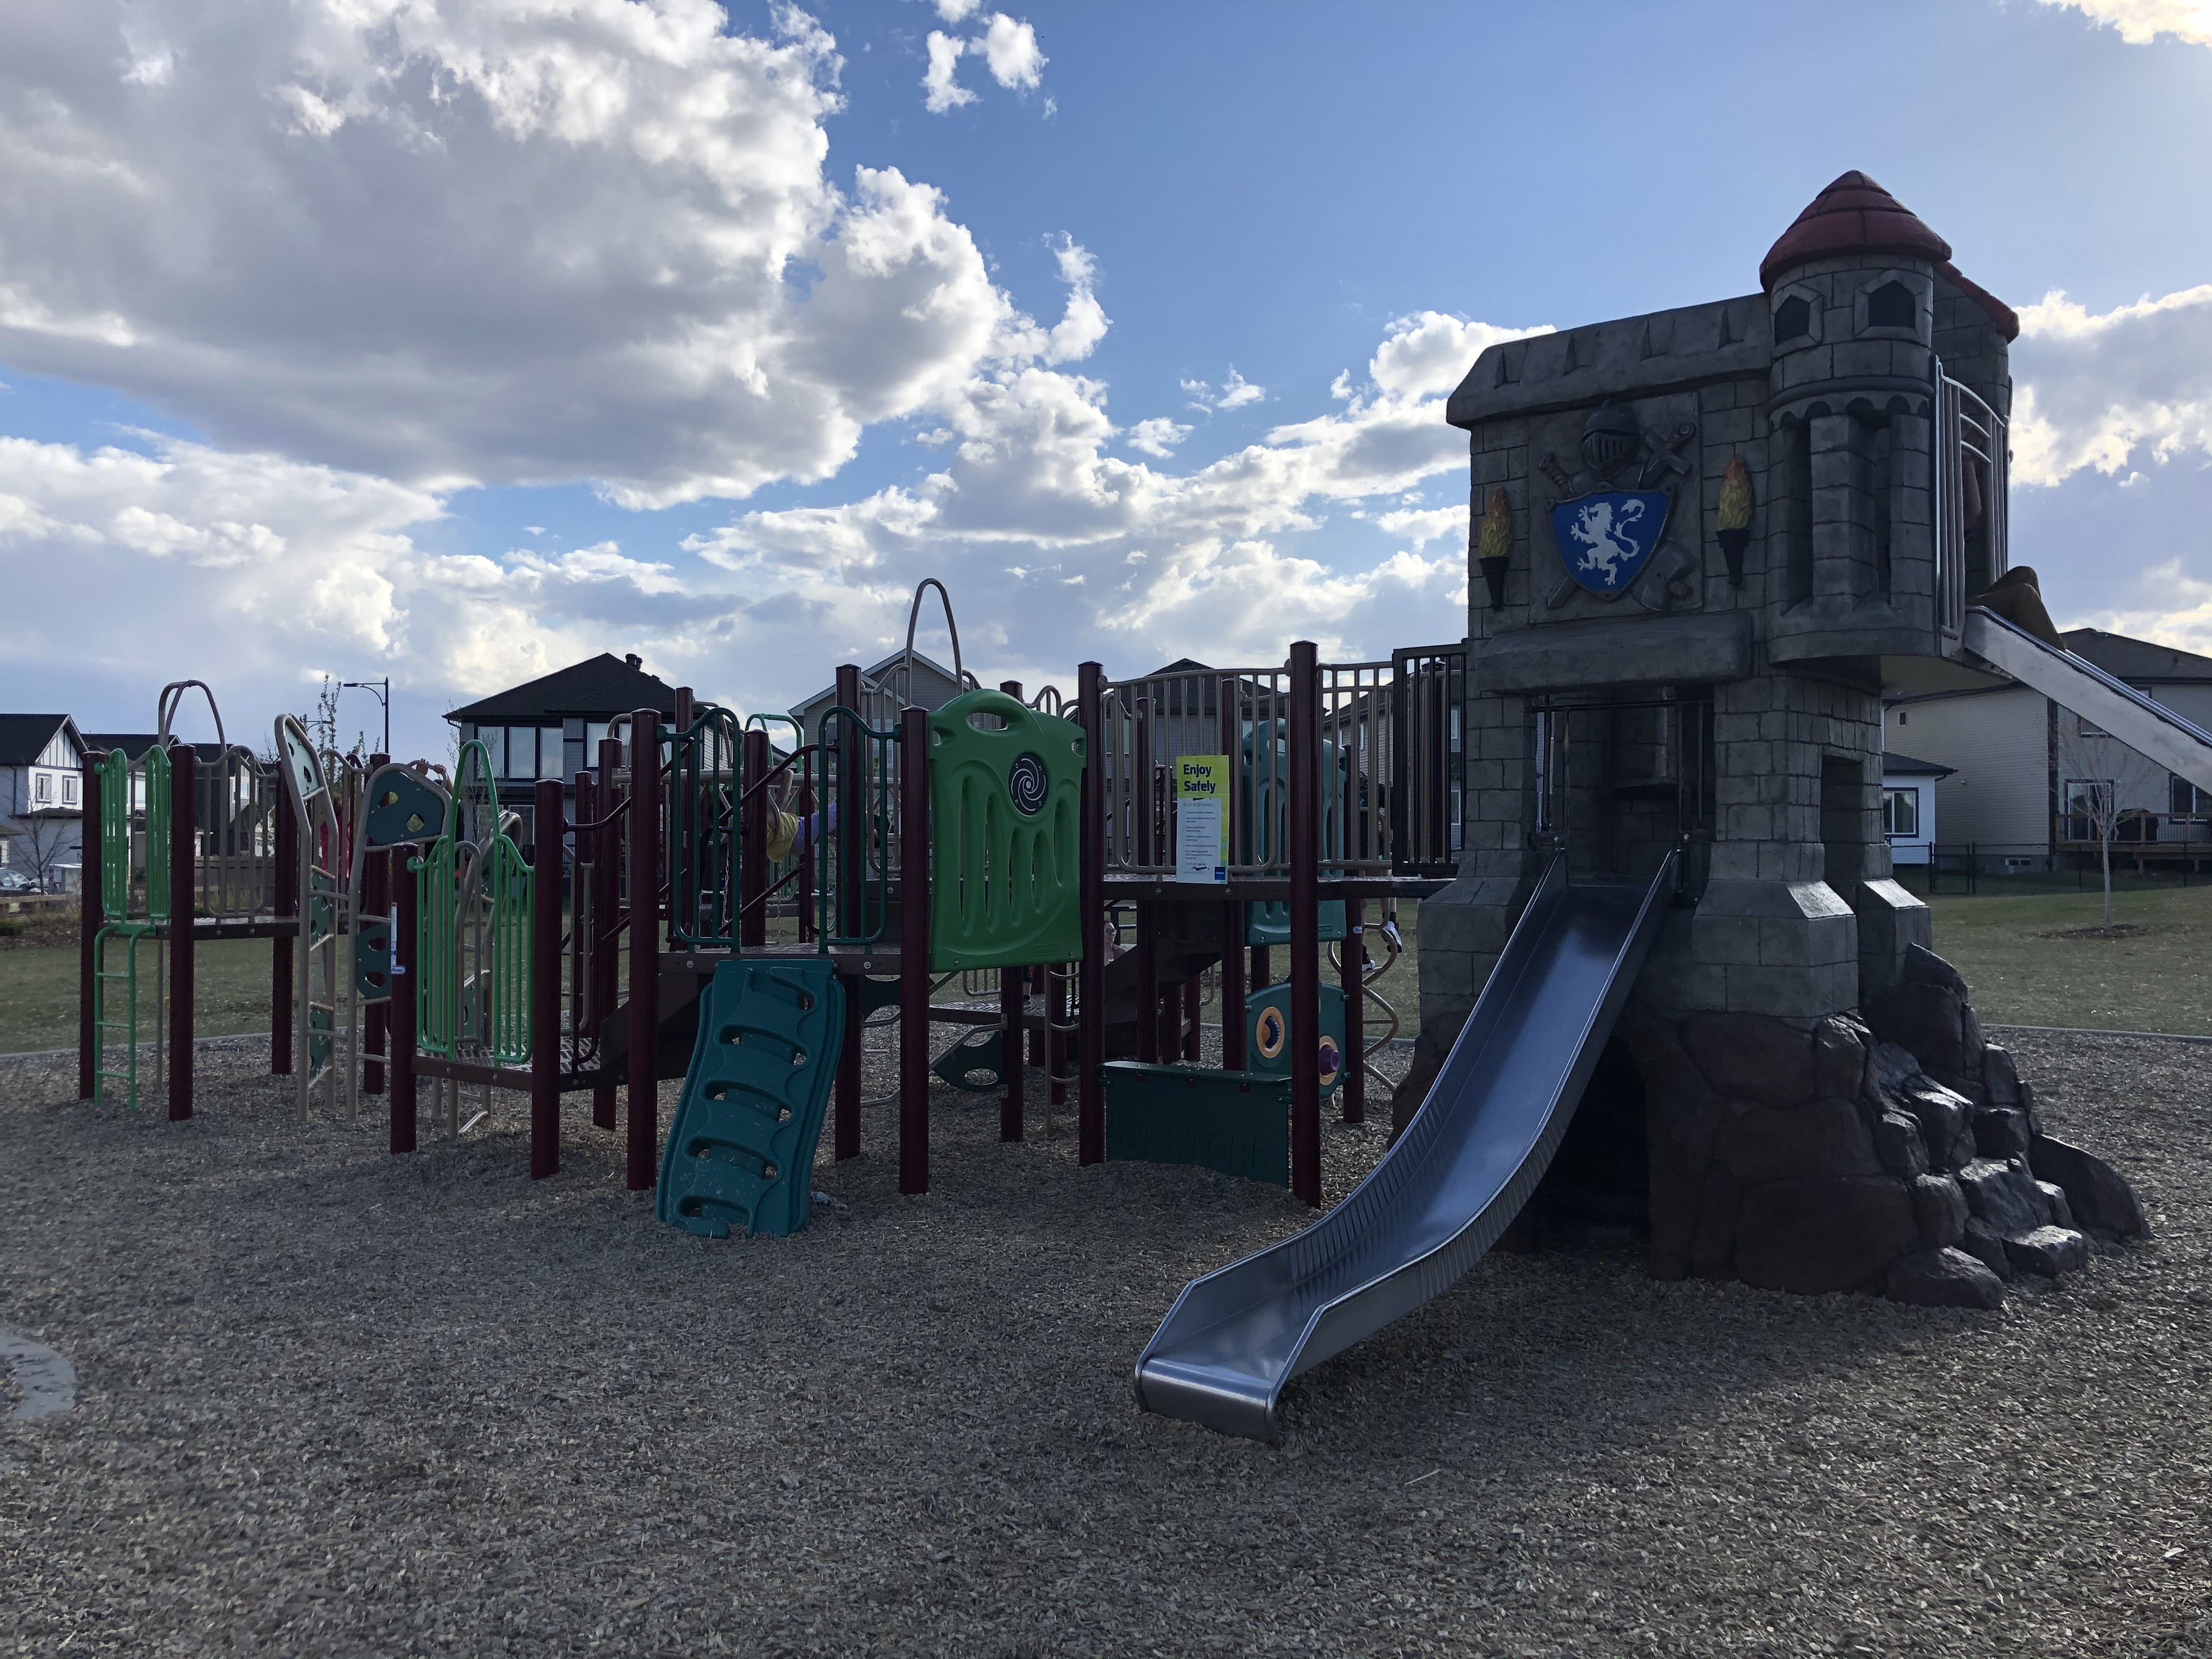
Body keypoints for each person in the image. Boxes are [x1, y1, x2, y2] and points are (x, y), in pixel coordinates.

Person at [1965, 565, 2064, 651]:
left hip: (1962, 600)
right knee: (2024, 593)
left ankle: (2036, 637)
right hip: (1955, 607)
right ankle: (2059, 656)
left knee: (2026, 573)